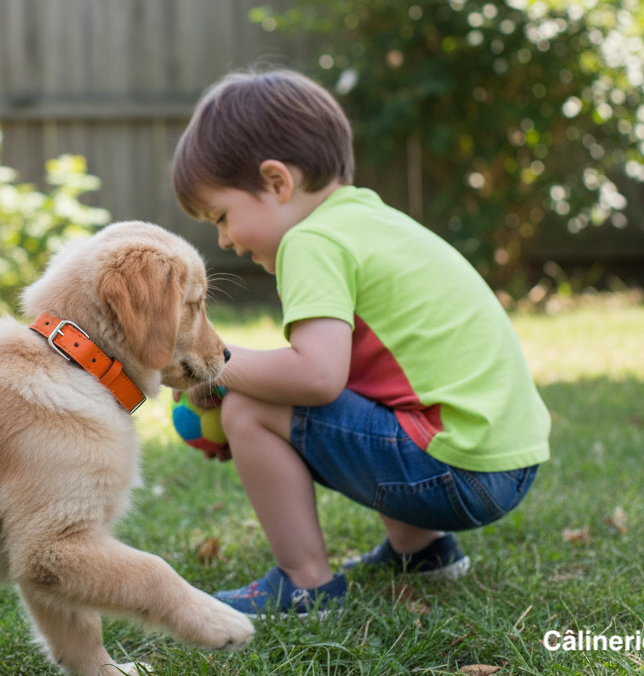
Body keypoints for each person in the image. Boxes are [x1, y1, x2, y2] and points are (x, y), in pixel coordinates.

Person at [170, 68, 550, 617]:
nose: (224, 239)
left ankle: (304, 583)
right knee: (384, 394)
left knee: (251, 405)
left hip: (457, 469)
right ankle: (421, 551)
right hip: (504, 459)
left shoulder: (312, 242)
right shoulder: (370, 220)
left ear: (277, 182)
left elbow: (316, 379)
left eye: (222, 216)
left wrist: (210, 366)